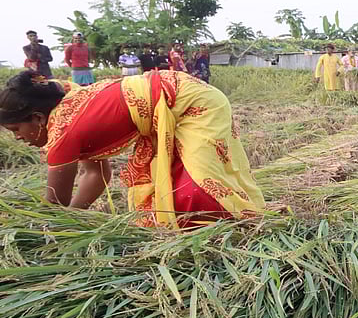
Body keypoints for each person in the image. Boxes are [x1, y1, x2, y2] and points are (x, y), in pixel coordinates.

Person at [0, 69, 264, 227]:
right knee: (170, 188)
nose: (18, 139)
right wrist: (75, 220)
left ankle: (237, 226)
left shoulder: (63, 133)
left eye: (16, 130)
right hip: (170, 102)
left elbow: (54, 204)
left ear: (37, 118)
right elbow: (96, 174)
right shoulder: (67, 108)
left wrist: (51, 227)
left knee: (197, 186)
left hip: (193, 104)